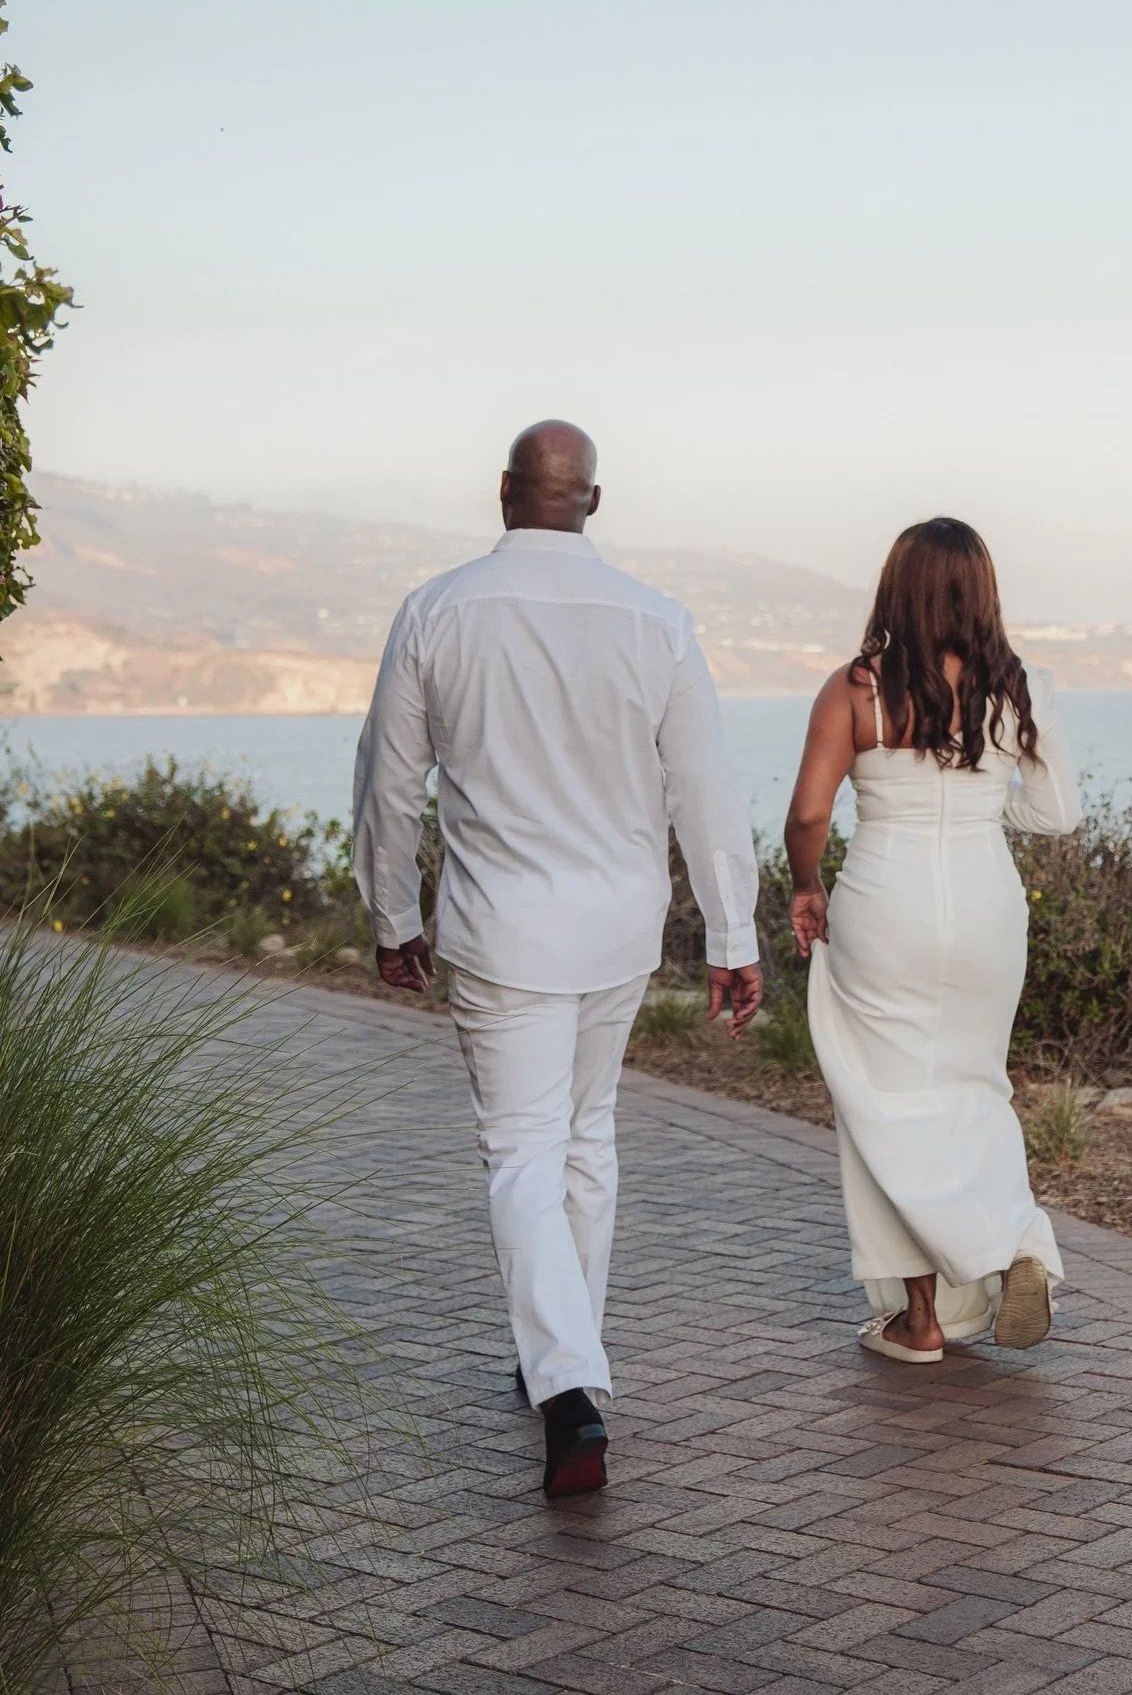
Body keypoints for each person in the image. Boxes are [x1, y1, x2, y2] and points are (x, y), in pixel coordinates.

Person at [352, 420, 762, 1497]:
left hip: (502, 928)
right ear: (592, 499)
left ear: (503, 493)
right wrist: (732, 933)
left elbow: (390, 785)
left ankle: (566, 1383)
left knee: (524, 1149)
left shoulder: (438, 611)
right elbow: (707, 792)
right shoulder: (658, 622)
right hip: (620, 927)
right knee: (587, 1138)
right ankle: (561, 1359)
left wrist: (393, 914)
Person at [783, 518, 1080, 1363]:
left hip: (886, 903)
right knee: (976, 1086)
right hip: (987, 905)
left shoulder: (858, 689)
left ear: (896, 586)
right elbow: (1059, 812)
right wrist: (989, 812)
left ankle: (921, 1321)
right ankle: (1018, 1240)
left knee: (883, 1099)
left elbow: (808, 814)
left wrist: (808, 886)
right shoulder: (1023, 685)